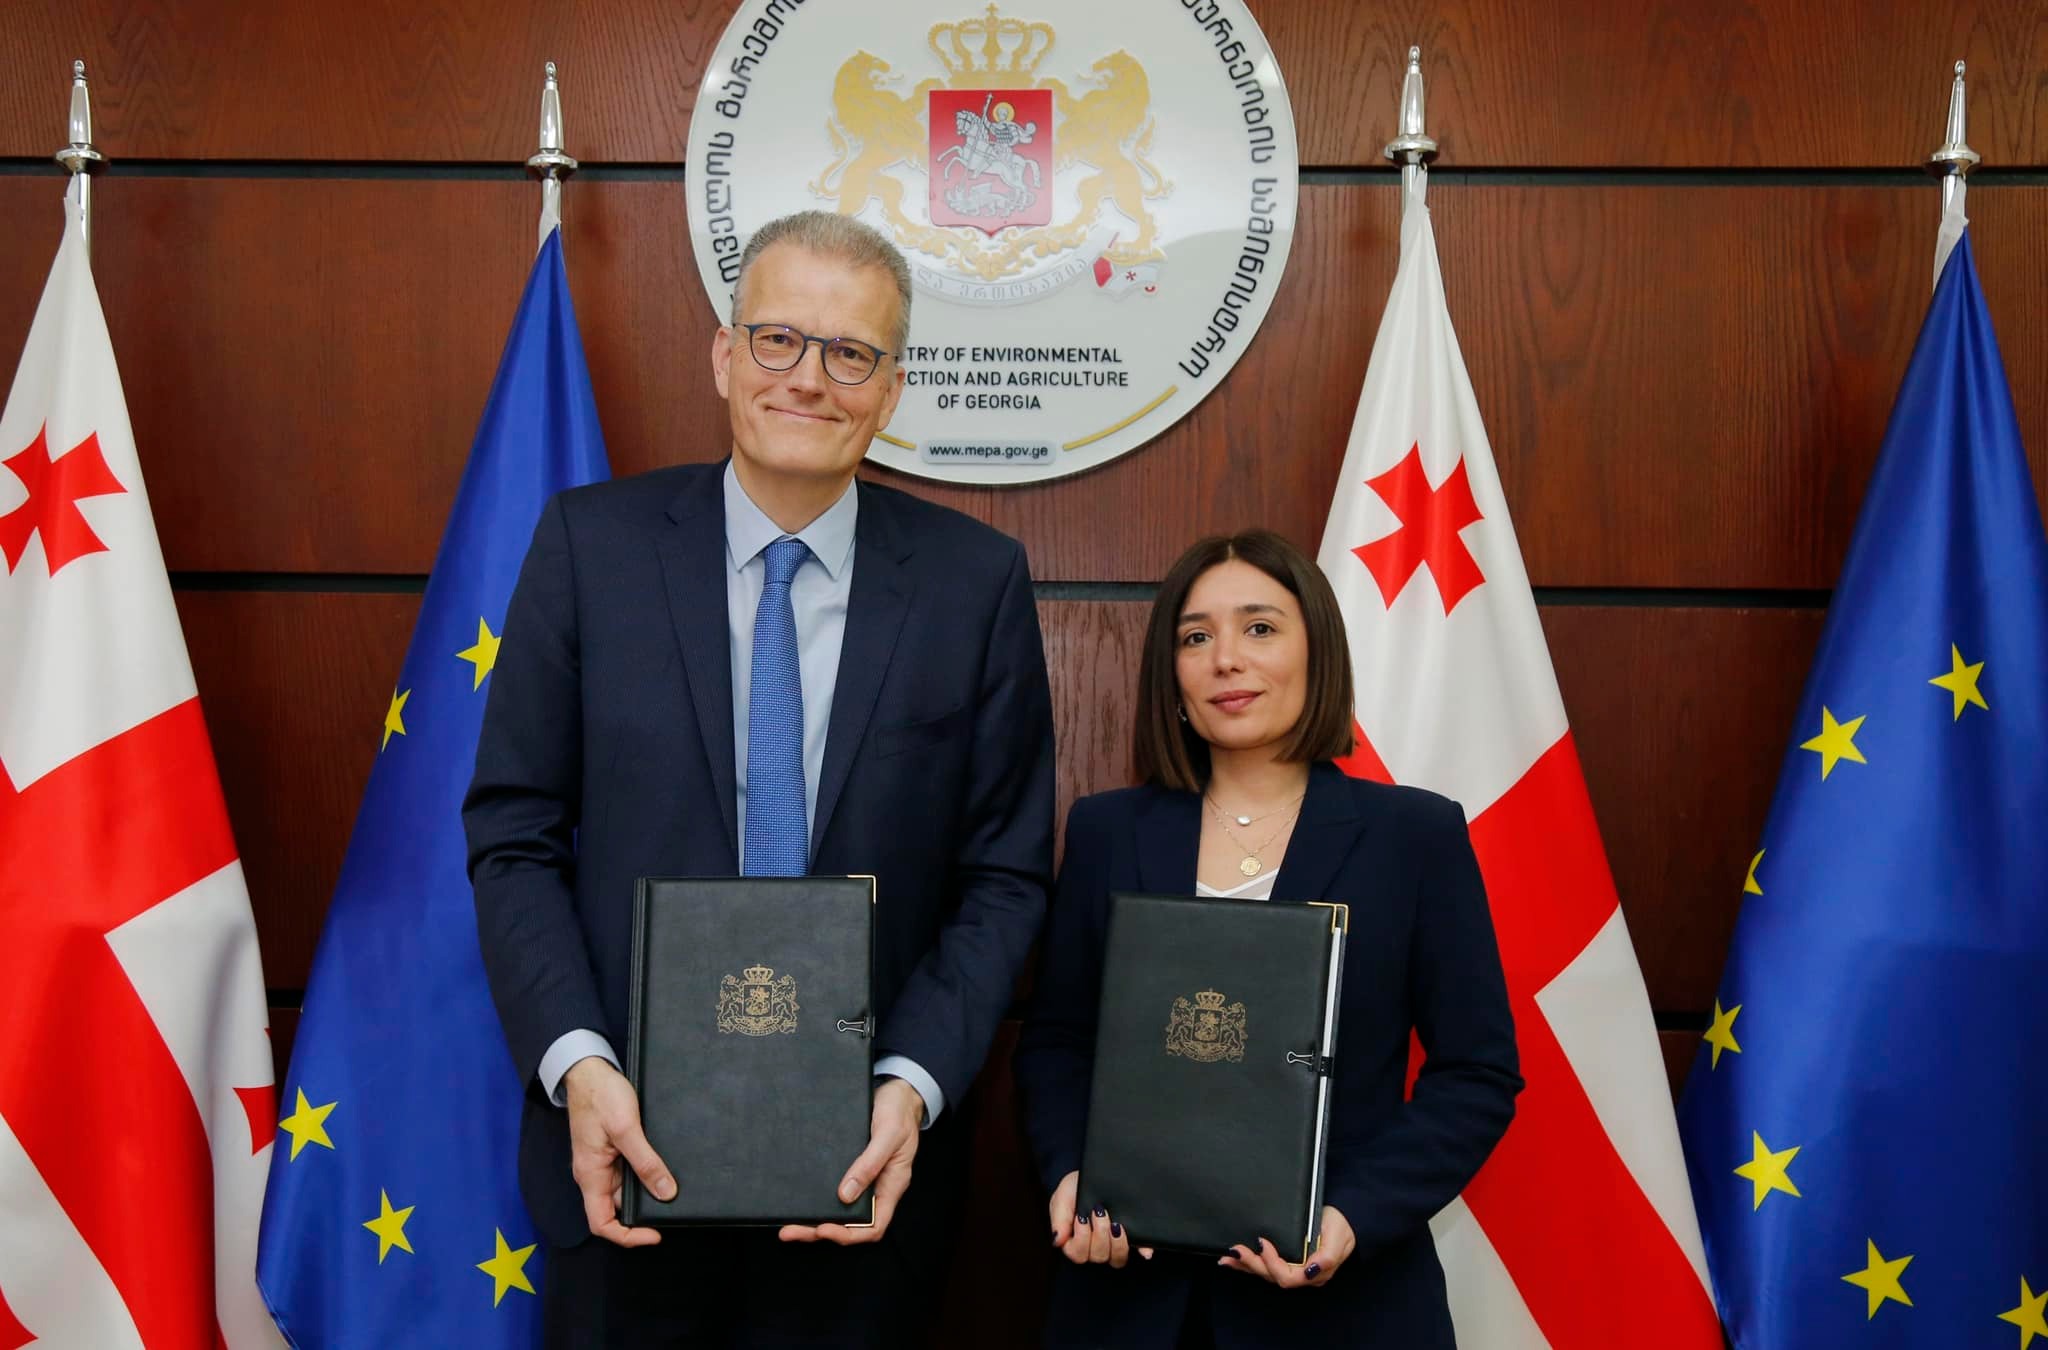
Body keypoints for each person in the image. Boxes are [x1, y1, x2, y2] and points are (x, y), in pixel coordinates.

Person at [464, 209, 1056, 1348]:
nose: (809, 378)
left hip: (862, 1179)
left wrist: (913, 1080)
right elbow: (513, 836)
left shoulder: (972, 583)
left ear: (892, 391)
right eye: (778, 338)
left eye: (852, 353)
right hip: (623, 1155)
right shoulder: (590, 547)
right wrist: (577, 1064)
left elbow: (1004, 876)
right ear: (724, 355)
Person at [1013, 529, 1520, 1349]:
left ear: (1318, 653)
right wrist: (1074, 1176)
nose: (1226, 659)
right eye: (1195, 637)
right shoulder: (1107, 830)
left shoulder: (1414, 836)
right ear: (1171, 676)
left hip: (1346, 1311)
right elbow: (1059, 1042)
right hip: (1129, 1303)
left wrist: (1351, 1216)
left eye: (1259, 628)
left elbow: (1476, 1072)